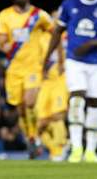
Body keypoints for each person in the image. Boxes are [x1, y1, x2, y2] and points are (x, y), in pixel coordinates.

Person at [43, 0, 97, 163]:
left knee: (95, 104)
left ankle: (91, 151)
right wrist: (46, 58)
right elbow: (57, 32)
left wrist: (91, 44)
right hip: (75, 60)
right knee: (76, 100)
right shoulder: (69, 4)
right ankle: (76, 149)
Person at [0, 0, 55, 158]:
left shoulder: (40, 16)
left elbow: (55, 34)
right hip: (14, 69)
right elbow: (1, 42)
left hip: (33, 68)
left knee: (30, 102)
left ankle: (34, 137)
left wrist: (50, 56)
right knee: (21, 108)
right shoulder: (4, 15)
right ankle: (32, 138)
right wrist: (5, 46)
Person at [36, 27, 68, 161]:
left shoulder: (68, 35)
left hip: (60, 79)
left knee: (57, 115)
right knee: (39, 123)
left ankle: (58, 149)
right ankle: (56, 148)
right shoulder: (40, 38)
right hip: (45, 82)